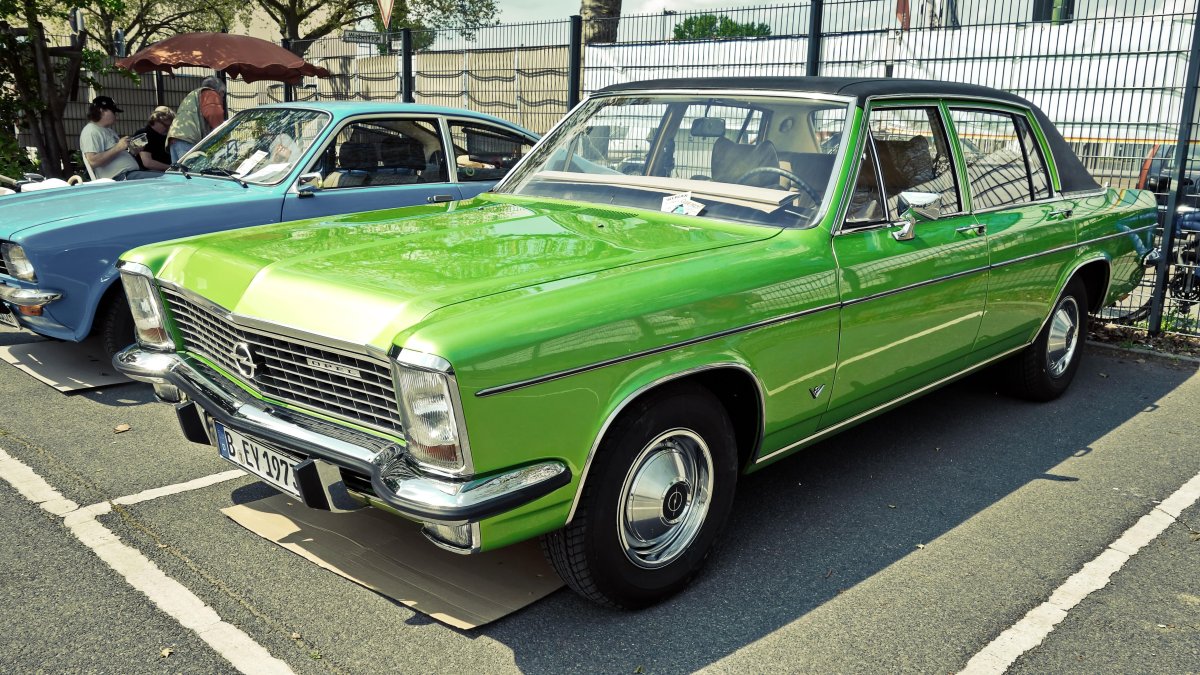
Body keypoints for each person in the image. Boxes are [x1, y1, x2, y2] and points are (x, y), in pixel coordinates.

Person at [79, 96, 160, 181]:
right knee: (163, 178)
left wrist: (133, 151)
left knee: (167, 176)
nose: (116, 115)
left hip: (130, 174)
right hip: (119, 177)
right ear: (101, 110)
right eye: (113, 112)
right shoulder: (91, 131)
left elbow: (116, 154)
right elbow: (92, 161)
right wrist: (118, 147)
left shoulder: (108, 130)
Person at [167, 75, 226, 162]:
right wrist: (223, 136)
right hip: (188, 140)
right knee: (192, 172)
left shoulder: (193, 94)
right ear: (220, 91)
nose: (222, 98)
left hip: (175, 139)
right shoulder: (210, 93)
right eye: (223, 94)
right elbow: (214, 114)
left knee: (179, 173)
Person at [133, 106, 174, 171]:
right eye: (166, 125)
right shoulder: (142, 135)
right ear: (156, 120)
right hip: (148, 173)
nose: (168, 129)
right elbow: (148, 163)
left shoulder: (165, 135)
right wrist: (171, 168)